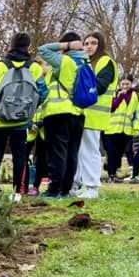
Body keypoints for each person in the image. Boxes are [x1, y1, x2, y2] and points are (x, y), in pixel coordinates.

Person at [0, 32, 48, 201]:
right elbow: (43, 93)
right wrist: (29, 110)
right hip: (21, 121)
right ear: (27, 47)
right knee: (20, 157)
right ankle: (18, 192)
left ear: (10, 46)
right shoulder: (35, 68)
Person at [38, 32, 88, 198]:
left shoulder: (64, 61)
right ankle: (66, 189)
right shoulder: (85, 62)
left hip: (58, 113)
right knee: (72, 153)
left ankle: (54, 190)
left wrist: (65, 46)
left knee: (57, 154)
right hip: (78, 114)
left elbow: (43, 50)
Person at [73, 32, 119, 198]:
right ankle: (77, 185)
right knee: (79, 151)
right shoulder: (87, 63)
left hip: (94, 114)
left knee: (90, 151)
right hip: (83, 113)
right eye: (86, 43)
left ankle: (92, 187)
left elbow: (100, 86)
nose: (89, 46)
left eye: (93, 43)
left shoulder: (106, 62)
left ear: (101, 45)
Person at [103, 75, 138, 182]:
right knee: (111, 152)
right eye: (123, 84)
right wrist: (119, 97)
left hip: (126, 129)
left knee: (120, 152)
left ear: (131, 84)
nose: (125, 86)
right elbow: (111, 108)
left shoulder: (134, 95)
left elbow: (136, 108)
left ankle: (115, 173)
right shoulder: (114, 94)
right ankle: (111, 174)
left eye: (127, 84)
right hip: (112, 128)